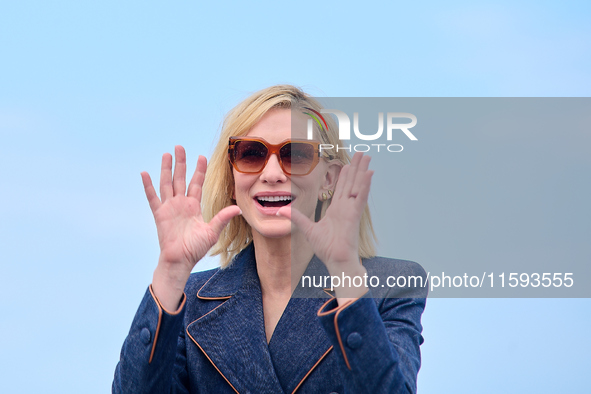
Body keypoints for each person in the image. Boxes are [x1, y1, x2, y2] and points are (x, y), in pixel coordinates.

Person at [112, 85, 427, 394]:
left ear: (329, 179)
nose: (273, 173)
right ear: (232, 180)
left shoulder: (391, 286)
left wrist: (344, 268)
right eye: (251, 154)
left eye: (295, 154)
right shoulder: (188, 301)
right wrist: (170, 271)